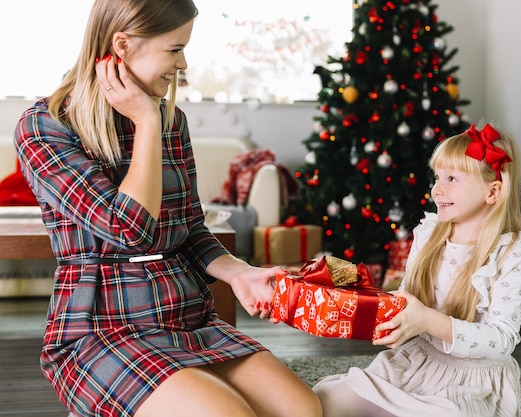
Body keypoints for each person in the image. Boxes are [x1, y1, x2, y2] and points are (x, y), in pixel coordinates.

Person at [13, 1, 321, 417]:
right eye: (174, 49)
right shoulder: (45, 125)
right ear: (122, 45)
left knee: (302, 410)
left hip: (184, 313)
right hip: (102, 326)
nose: (184, 63)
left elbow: (190, 227)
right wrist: (145, 123)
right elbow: (130, 230)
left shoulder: (172, 121)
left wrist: (241, 274)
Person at [313, 123, 521, 417]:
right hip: (420, 361)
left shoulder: (513, 253)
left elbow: (502, 341)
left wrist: (426, 320)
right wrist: (357, 300)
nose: (437, 188)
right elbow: (405, 299)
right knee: (323, 399)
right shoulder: (429, 232)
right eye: (436, 177)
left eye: (452, 178)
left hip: (473, 380)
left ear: (492, 191)